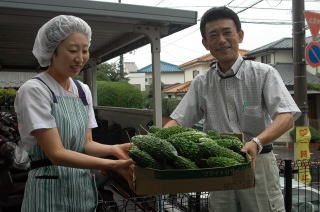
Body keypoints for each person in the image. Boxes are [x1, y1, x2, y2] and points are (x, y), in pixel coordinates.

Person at [164, 6, 301, 212]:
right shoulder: (202, 82)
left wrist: (256, 142)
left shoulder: (264, 74)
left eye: (227, 32)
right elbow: (179, 120)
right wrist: (153, 142)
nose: (221, 40)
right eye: (213, 35)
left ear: (240, 35)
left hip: (258, 162)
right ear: (206, 43)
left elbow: (286, 116)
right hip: (219, 167)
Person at [14, 15, 134, 211]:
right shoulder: (35, 90)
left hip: (82, 191)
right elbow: (57, 154)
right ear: (53, 51)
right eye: (72, 50)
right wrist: (113, 165)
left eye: (85, 50)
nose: (80, 58)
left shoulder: (82, 90)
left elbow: (85, 144)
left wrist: (115, 148)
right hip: (48, 192)